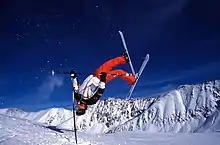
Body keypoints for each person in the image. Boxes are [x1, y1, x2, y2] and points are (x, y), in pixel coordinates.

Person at [70, 52, 136, 115]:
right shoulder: (91, 101)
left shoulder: (77, 96)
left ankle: (124, 59)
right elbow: (100, 91)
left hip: (95, 74)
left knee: (109, 63)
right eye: (78, 109)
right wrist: (103, 80)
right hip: (100, 79)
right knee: (118, 72)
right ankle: (132, 80)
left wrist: (73, 77)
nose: (77, 107)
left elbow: (75, 86)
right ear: (83, 108)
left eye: (76, 108)